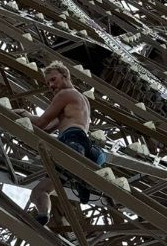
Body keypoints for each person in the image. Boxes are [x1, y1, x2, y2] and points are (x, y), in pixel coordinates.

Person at [15, 61, 104, 226]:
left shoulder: (64, 95)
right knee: (39, 192)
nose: (50, 85)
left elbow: (41, 122)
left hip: (71, 143)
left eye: (53, 79)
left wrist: (23, 114)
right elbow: (49, 128)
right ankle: (44, 215)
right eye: (48, 82)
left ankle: (80, 179)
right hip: (87, 149)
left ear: (65, 76)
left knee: (42, 189)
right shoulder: (82, 100)